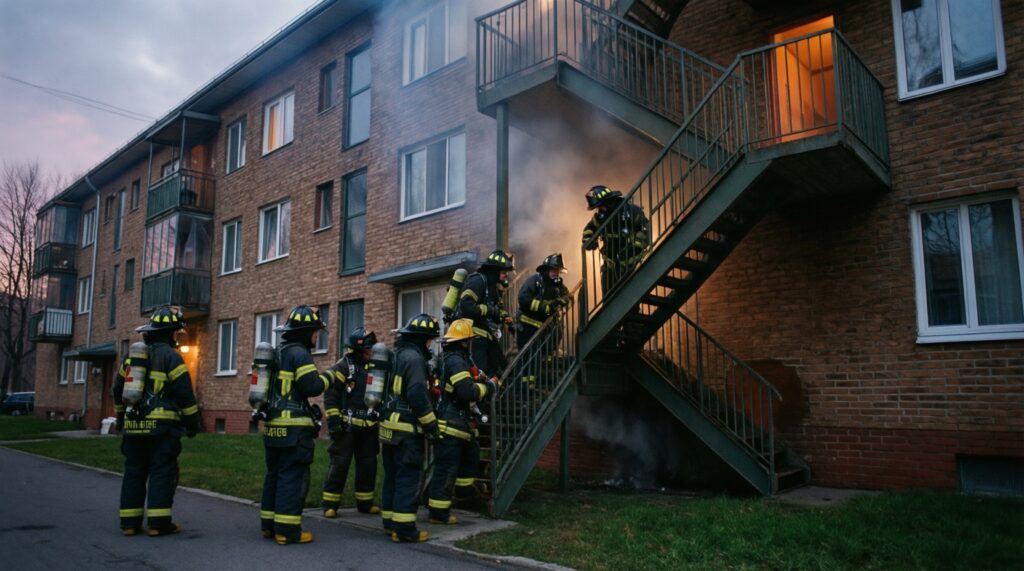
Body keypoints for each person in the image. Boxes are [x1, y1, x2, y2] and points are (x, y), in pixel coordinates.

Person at [112, 306, 200, 537]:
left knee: (134, 473)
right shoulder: (172, 357)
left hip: (133, 427)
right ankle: (158, 524)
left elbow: (117, 388)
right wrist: (192, 423)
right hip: (162, 429)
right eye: (176, 333)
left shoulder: (132, 357)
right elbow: (184, 393)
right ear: (171, 333)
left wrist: (121, 417)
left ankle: (129, 524)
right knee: (162, 472)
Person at [259, 305, 335, 545]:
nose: (316, 336)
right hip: (293, 431)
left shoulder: (279, 352)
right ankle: (288, 530)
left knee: (274, 475)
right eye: (314, 332)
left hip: (273, 427)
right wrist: (333, 375)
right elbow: (311, 386)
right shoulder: (300, 354)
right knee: (292, 477)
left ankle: (269, 526)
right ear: (305, 332)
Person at [427, 318, 496, 524]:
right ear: (465, 342)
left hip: (459, 423)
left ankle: (464, 491)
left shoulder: (458, 359)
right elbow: (466, 391)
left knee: (471, 454)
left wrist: (480, 378)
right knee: (446, 469)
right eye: (470, 341)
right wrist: (488, 388)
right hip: (451, 424)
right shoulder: (456, 361)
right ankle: (438, 512)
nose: (472, 344)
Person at [379, 314, 440, 543]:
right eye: (429, 341)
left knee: (392, 476)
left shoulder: (398, 355)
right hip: (406, 429)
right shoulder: (415, 359)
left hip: (389, 427)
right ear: (422, 340)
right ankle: (404, 530)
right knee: (408, 477)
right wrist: (431, 424)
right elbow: (416, 394)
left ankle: (390, 523)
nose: (430, 346)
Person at [321, 328, 380, 517]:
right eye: (367, 351)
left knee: (368, 465)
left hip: (369, 427)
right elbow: (331, 395)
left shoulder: (374, 367)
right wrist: (334, 422)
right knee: (340, 464)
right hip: (346, 428)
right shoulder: (343, 367)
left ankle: (365, 503)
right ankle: (330, 504)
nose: (370, 353)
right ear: (356, 350)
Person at [582, 185, 650, 295]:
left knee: (629, 294)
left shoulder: (631, 211)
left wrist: (635, 248)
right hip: (610, 264)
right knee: (608, 296)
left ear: (608, 202)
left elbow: (647, 230)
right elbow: (590, 228)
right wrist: (588, 239)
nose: (600, 210)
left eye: (601, 206)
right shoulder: (600, 217)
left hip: (629, 262)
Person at [457, 249, 515, 377]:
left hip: (485, 334)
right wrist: (489, 310)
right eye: (504, 272)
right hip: (473, 335)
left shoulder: (492, 287)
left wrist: (504, 317)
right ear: (495, 270)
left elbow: (497, 308)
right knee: (481, 373)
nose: (506, 276)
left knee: (501, 367)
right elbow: (466, 305)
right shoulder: (478, 281)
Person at [516, 253, 571, 388]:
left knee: (546, 352)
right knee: (529, 355)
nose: (556, 274)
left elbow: (569, 297)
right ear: (546, 270)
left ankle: (538, 381)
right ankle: (525, 385)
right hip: (528, 326)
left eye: (558, 271)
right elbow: (524, 299)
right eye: (553, 270)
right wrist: (545, 307)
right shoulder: (535, 281)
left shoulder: (558, 286)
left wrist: (563, 300)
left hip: (545, 328)